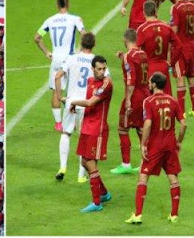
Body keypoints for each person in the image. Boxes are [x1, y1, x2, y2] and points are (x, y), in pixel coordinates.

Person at [125, 72, 186, 225]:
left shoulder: (148, 101)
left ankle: (138, 215)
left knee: (143, 177)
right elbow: (184, 124)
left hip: (155, 146)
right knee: (173, 178)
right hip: (170, 145)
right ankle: (174, 215)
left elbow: (148, 124)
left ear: (153, 84)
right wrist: (179, 141)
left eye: (150, 82)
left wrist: (143, 144)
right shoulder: (173, 101)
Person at [34, 0, 86, 132]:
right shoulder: (75, 19)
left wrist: (47, 52)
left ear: (57, 5)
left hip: (56, 58)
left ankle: (58, 124)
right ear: (67, 4)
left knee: (56, 92)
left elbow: (37, 37)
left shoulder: (50, 20)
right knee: (72, 91)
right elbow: (84, 35)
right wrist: (80, 52)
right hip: (70, 58)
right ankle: (73, 122)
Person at [70, 55, 113, 212]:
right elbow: (88, 102)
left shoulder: (107, 84)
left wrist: (72, 101)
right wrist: (76, 105)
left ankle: (96, 203)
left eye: (104, 68)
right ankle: (104, 193)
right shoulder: (90, 82)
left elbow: (90, 102)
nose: (102, 72)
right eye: (99, 69)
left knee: (90, 163)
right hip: (87, 126)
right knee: (83, 162)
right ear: (93, 69)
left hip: (98, 130)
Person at [53, 32, 98, 183]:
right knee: (83, 137)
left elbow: (58, 76)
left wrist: (60, 97)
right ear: (94, 45)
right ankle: (80, 175)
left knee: (66, 133)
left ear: (81, 43)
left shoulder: (72, 58)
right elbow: (105, 80)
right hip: (87, 103)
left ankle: (62, 167)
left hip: (71, 102)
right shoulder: (96, 61)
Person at [110, 28, 150, 175]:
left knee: (123, 129)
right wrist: (123, 58)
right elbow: (139, 70)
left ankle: (126, 164)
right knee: (140, 128)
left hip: (134, 96)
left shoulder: (129, 56)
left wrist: (128, 99)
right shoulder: (143, 54)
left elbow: (131, 79)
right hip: (145, 95)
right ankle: (144, 162)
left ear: (124, 40)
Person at [136, 0, 181, 97]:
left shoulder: (142, 29)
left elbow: (136, 50)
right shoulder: (166, 26)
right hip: (163, 67)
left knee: (150, 101)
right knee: (166, 98)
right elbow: (179, 46)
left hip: (149, 68)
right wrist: (171, 63)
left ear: (144, 13)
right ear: (156, 12)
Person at [171, 0, 194, 117]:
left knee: (180, 78)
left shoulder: (176, 8)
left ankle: (182, 112)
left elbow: (175, 29)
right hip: (192, 46)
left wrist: (172, 43)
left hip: (180, 47)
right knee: (191, 76)